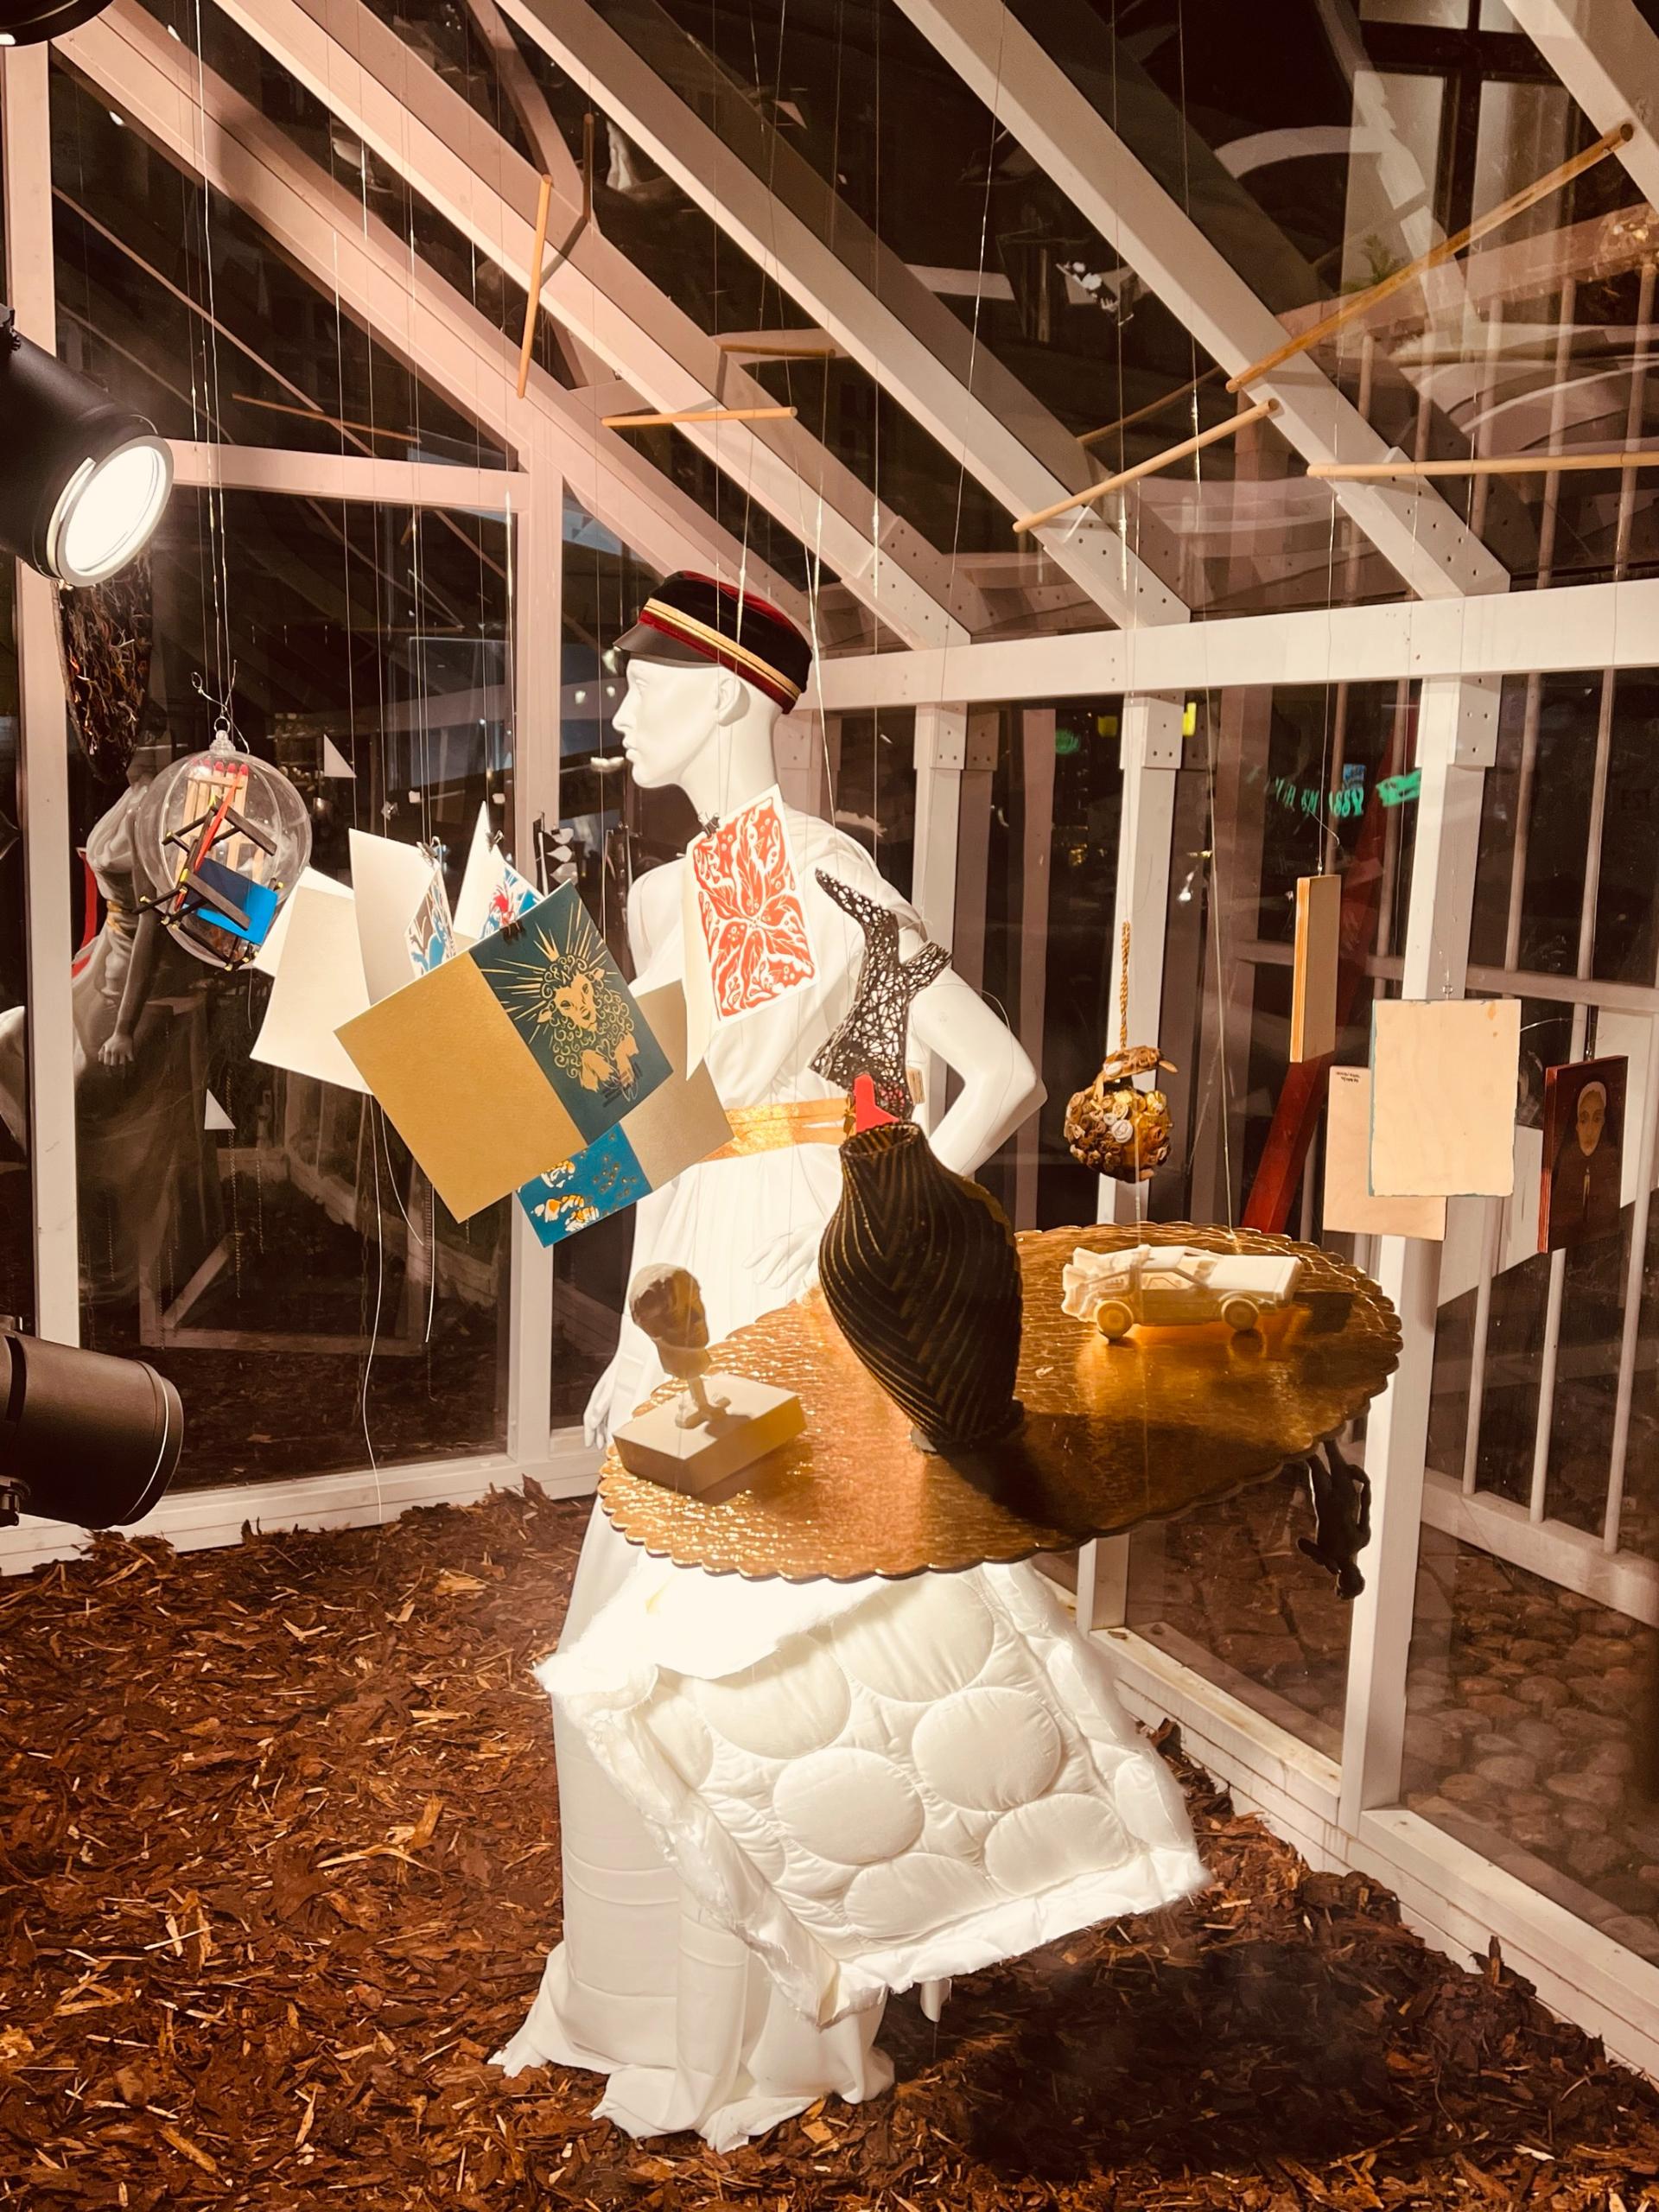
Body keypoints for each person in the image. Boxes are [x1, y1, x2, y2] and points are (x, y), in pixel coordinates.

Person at [497, 574, 1206, 2148]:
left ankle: (777, 2021)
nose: (618, 706)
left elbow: (999, 1075)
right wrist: (625, 1340)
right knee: (627, 1651)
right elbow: (666, 1129)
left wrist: (882, 1224)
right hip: (699, 1276)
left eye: (642, 679)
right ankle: (643, 1997)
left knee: (765, 1659)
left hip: (807, 1271)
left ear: (729, 692)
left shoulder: (826, 875)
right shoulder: (663, 897)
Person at [1547, 1076, 1623, 1249]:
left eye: (1597, 1119)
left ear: (1604, 1123)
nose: (1589, 1130)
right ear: (1576, 1125)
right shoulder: (1566, 1163)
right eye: (1583, 1119)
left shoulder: (1610, 1164)